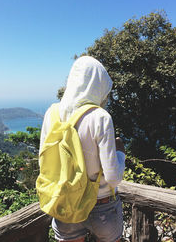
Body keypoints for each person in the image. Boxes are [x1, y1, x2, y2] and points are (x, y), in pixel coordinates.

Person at [39, 56, 125, 242]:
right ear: (99, 84)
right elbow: (113, 177)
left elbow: (43, 161)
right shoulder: (100, 117)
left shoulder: (51, 113)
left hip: (65, 204)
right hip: (102, 207)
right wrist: (120, 153)